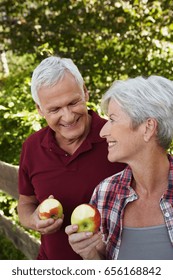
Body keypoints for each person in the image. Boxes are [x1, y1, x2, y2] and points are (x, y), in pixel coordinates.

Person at [17, 56, 125, 260]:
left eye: (73, 102)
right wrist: (34, 220)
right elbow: (25, 202)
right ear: (39, 109)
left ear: (85, 92)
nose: (68, 117)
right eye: (55, 109)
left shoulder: (117, 137)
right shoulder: (32, 147)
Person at [66, 75, 173, 260]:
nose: (102, 131)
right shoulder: (105, 192)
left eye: (113, 120)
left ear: (148, 128)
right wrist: (91, 254)